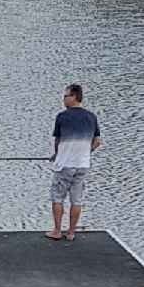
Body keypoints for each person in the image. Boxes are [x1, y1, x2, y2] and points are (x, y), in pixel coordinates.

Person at [47, 83, 102, 241]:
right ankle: (71, 232)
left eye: (66, 96)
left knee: (57, 197)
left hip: (64, 165)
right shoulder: (91, 117)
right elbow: (97, 142)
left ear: (74, 97)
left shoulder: (62, 116)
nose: (63, 99)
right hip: (83, 165)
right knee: (76, 200)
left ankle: (57, 231)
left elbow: (58, 141)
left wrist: (57, 155)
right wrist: (86, 152)